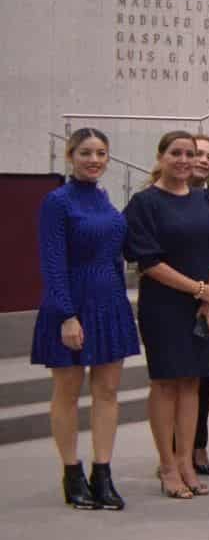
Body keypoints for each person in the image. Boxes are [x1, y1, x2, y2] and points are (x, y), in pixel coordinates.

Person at [32, 128, 140, 509]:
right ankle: (71, 471)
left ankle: (103, 472)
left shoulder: (105, 198)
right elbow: (52, 260)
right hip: (71, 304)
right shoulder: (56, 201)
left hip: (109, 302)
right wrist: (66, 315)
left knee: (108, 392)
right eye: (85, 153)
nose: (94, 160)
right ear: (70, 156)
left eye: (101, 153)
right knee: (68, 392)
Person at [124, 131, 209, 499]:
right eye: (176, 153)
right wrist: (200, 290)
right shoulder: (144, 203)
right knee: (167, 383)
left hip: (204, 306)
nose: (184, 160)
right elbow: (148, 261)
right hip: (164, 306)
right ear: (161, 156)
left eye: (191, 154)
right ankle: (167, 465)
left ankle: (186, 461)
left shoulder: (207, 200)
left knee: (193, 384)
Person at [186, 134, 209, 479]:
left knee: (202, 380)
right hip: (171, 299)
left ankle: (198, 446)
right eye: (197, 154)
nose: (202, 160)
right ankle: (172, 455)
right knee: (171, 382)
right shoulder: (154, 197)